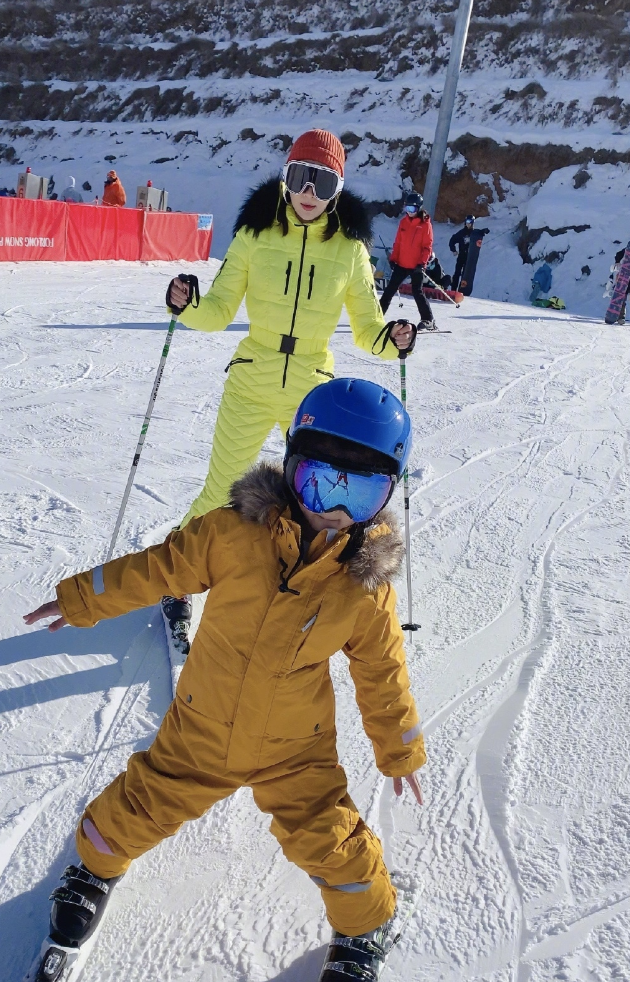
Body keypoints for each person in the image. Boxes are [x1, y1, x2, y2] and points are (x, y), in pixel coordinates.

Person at [24, 376, 426, 982]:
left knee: (331, 841)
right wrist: (81, 598)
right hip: (202, 726)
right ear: (292, 467)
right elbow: (157, 567)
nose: (333, 510)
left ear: (386, 496)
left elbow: (382, 671)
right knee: (122, 817)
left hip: (295, 747)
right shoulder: (234, 534)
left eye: (360, 492)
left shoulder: (362, 586)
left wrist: (399, 745)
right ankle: (92, 872)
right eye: (320, 482)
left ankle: (367, 926)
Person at [163, 129, 414, 646]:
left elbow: (368, 331)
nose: (309, 192)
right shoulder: (254, 235)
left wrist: (394, 340)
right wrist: (187, 305)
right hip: (252, 380)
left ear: (337, 189)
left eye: (322, 182)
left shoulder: (350, 251)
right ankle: (176, 576)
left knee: (315, 497)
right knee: (220, 489)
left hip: (312, 397)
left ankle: (307, 588)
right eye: (300, 176)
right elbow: (217, 312)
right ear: (285, 177)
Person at [379, 192, 436, 330]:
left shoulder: (424, 225)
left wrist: (422, 263)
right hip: (402, 263)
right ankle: (377, 315)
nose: (409, 212)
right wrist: (393, 259)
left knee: (417, 292)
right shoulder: (403, 222)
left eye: (412, 210)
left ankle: (428, 320)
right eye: (407, 209)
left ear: (418, 209)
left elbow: (427, 247)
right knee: (389, 290)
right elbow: (398, 243)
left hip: (416, 265)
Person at [449, 214, 489, 291]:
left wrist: (485, 231)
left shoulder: (474, 233)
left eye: (470, 222)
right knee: (457, 273)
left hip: (469, 258)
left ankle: (462, 290)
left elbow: (481, 232)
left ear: (473, 223)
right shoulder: (461, 233)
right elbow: (452, 240)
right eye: (467, 222)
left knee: (465, 275)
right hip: (461, 256)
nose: (468, 224)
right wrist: (453, 250)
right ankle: (453, 290)